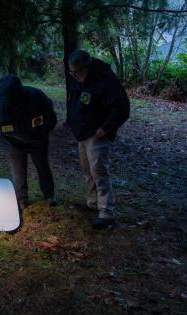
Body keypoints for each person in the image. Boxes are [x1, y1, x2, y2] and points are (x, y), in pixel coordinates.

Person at [66, 49, 130, 230]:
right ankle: (94, 203)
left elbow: (122, 107)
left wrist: (106, 128)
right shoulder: (78, 79)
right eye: (72, 72)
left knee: (99, 171)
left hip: (97, 134)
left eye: (77, 72)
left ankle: (107, 213)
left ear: (86, 67)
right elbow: (74, 101)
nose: (74, 76)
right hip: (82, 133)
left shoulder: (105, 80)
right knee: (88, 170)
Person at [0, 75, 57, 210]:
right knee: (18, 171)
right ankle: (22, 199)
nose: (7, 101)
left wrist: (41, 133)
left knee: (42, 167)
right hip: (13, 142)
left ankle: (49, 196)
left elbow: (51, 118)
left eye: (10, 98)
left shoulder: (36, 97)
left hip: (37, 141)